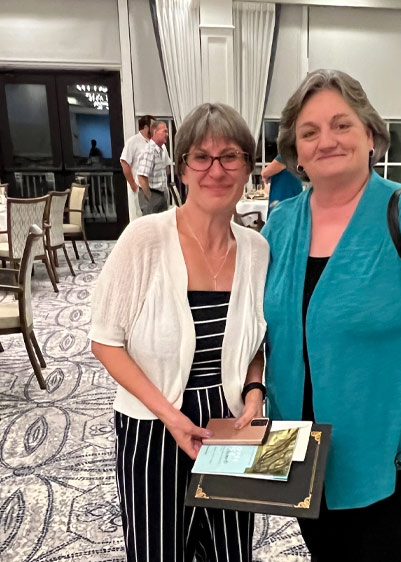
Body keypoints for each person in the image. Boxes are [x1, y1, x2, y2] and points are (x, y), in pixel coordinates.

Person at [261, 69, 401, 562]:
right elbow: (263, 330)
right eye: (310, 132)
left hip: (380, 443)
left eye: (342, 125)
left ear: (371, 134)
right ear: (294, 152)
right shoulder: (281, 225)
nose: (327, 141)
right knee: (324, 552)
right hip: (296, 441)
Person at [90, 103, 269, 562]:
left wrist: (253, 391)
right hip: (153, 422)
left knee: (230, 550)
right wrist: (169, 415)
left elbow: (254, 341)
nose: (216, 170)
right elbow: (105, 341)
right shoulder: (145, 238)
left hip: (229, 423)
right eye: (201, 157)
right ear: (182, 169)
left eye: (230, 156)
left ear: (248, 167)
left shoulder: (256, 249)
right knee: (158, 549)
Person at [120, 114, 155, 221]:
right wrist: (133, 185)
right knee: (139, 220)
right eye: (153, 126)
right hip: (139, 188)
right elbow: (124, 162)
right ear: (145, 127)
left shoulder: (153, 143)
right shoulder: (133, 142)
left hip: (153, 189)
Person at [137, 120, 172, 215]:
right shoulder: (149, 151)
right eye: (164, 131)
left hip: (160, 194)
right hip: (152, 194)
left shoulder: (161, 150)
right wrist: (150, 197)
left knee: (161, 226)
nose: (167, 134)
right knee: (150, 227)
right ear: (155, 132)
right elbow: (141, 177)